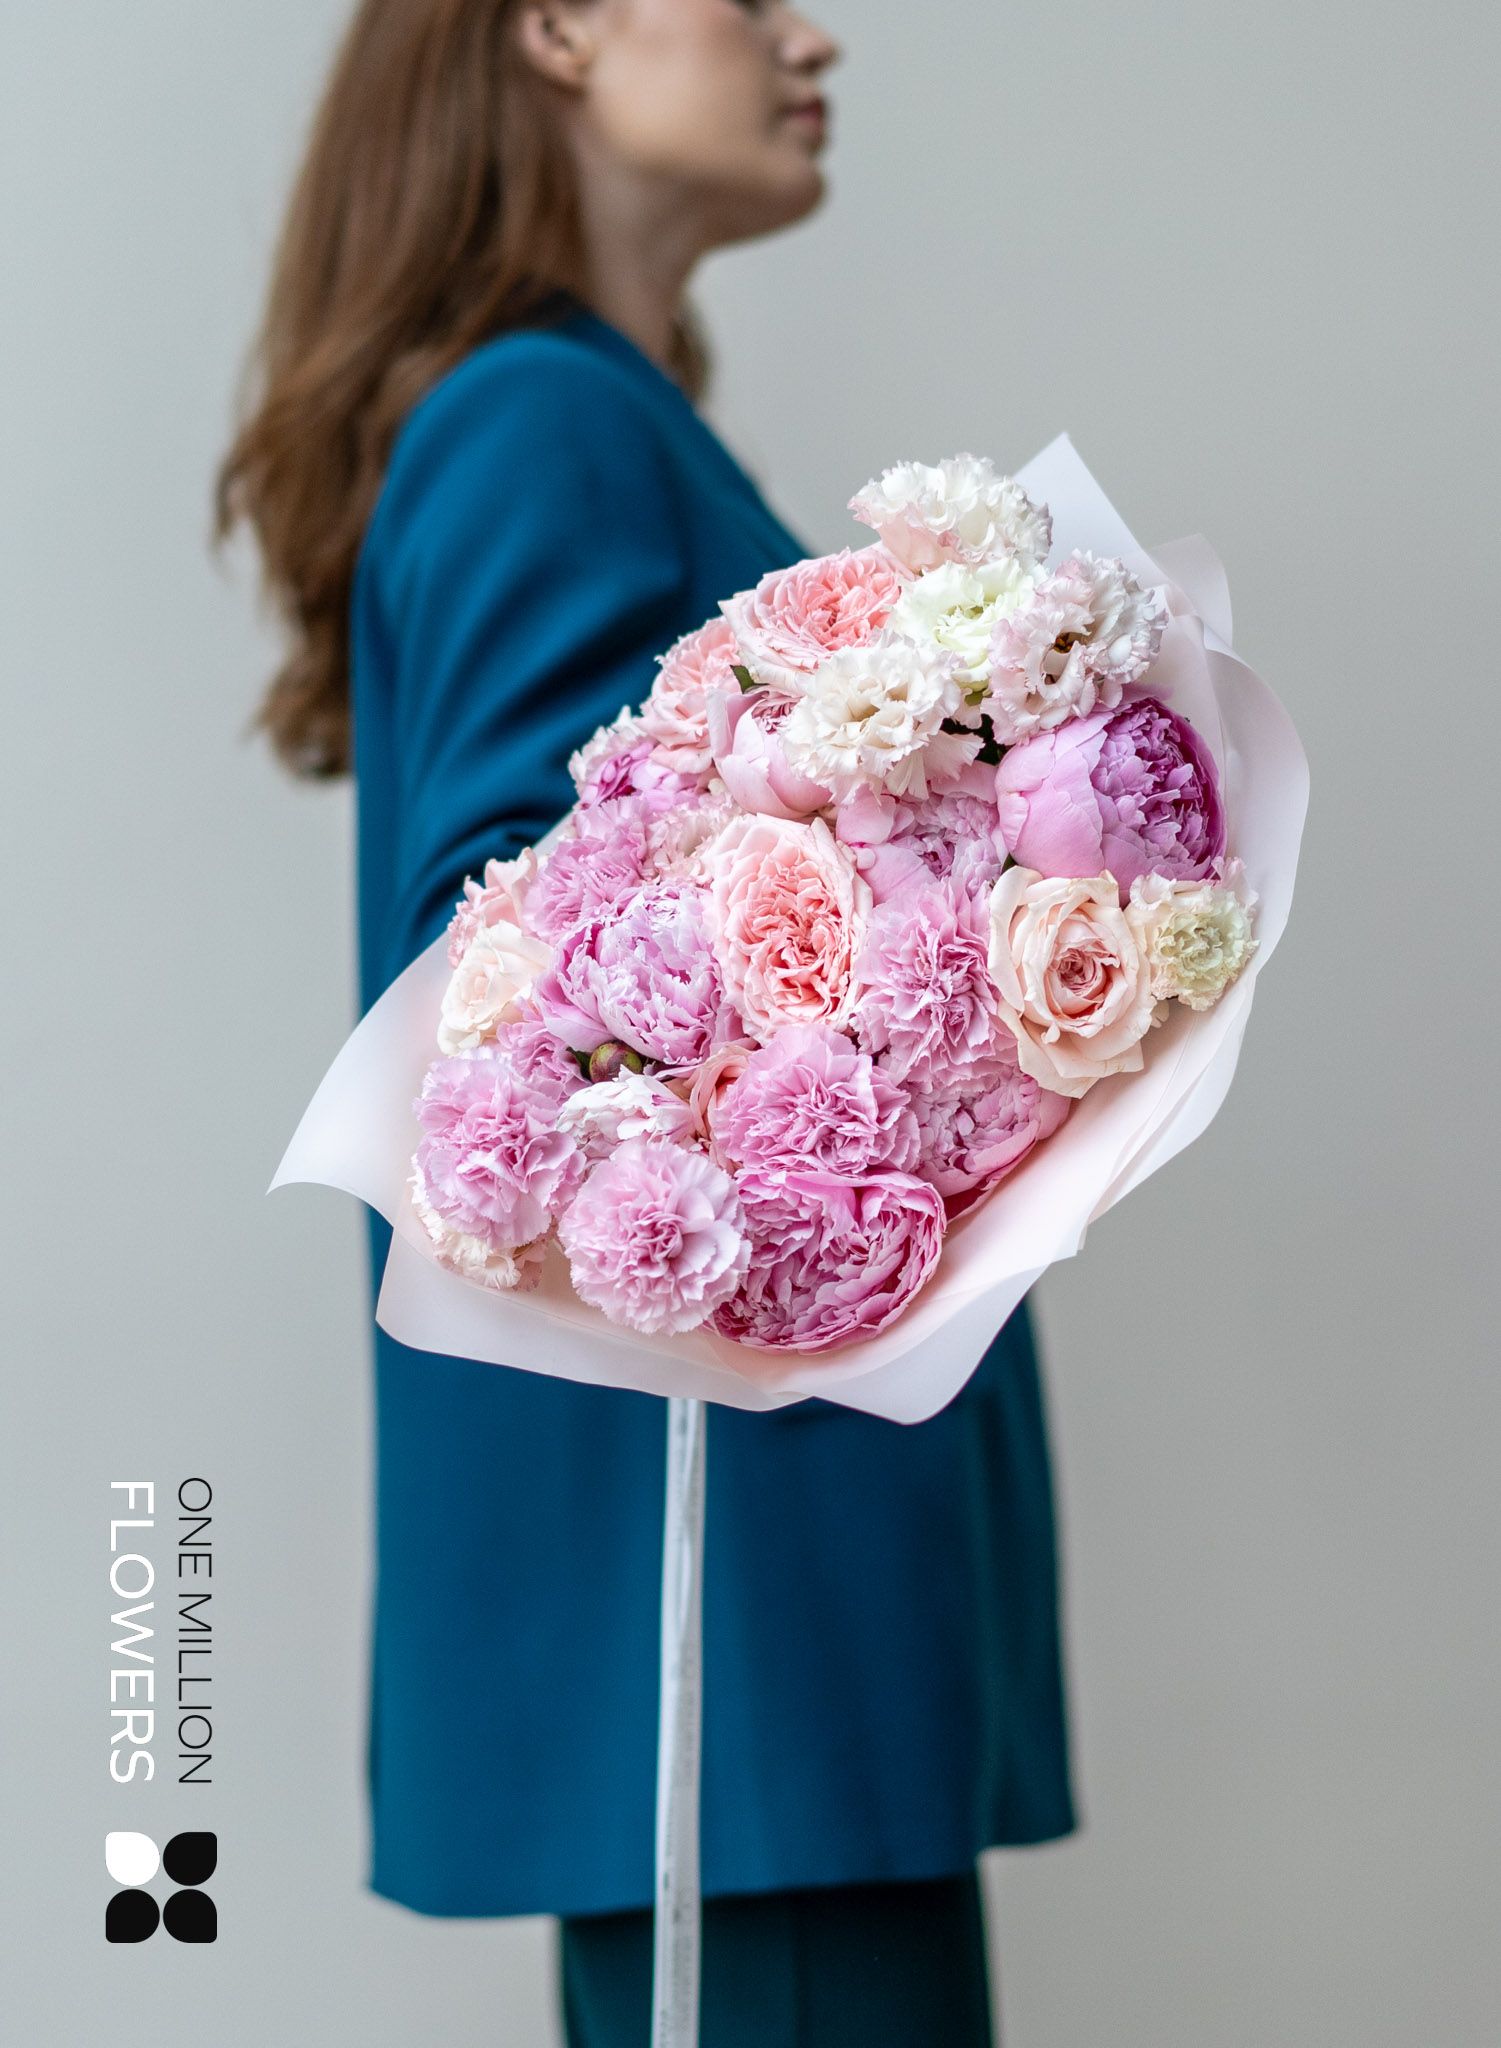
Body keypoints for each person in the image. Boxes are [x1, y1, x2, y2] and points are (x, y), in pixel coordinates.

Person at [220, 3, 1073, 2041]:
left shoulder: (596, 416)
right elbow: (506, 985)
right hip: (722, 1593)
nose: (811, 35)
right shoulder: (545, 421)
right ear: (557, 26)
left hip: (741, 1596)